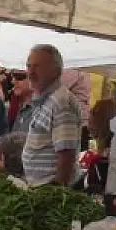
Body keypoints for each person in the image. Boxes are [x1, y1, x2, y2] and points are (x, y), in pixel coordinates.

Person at [21, 44, 83, 187]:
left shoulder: (61, 102)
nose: (30, 72)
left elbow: (66, 153)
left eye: (37, 67)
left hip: (49, 190)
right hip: (39, 188)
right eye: (28, 66)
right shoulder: (46, 100)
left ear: (55, 71)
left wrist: (56, 193)